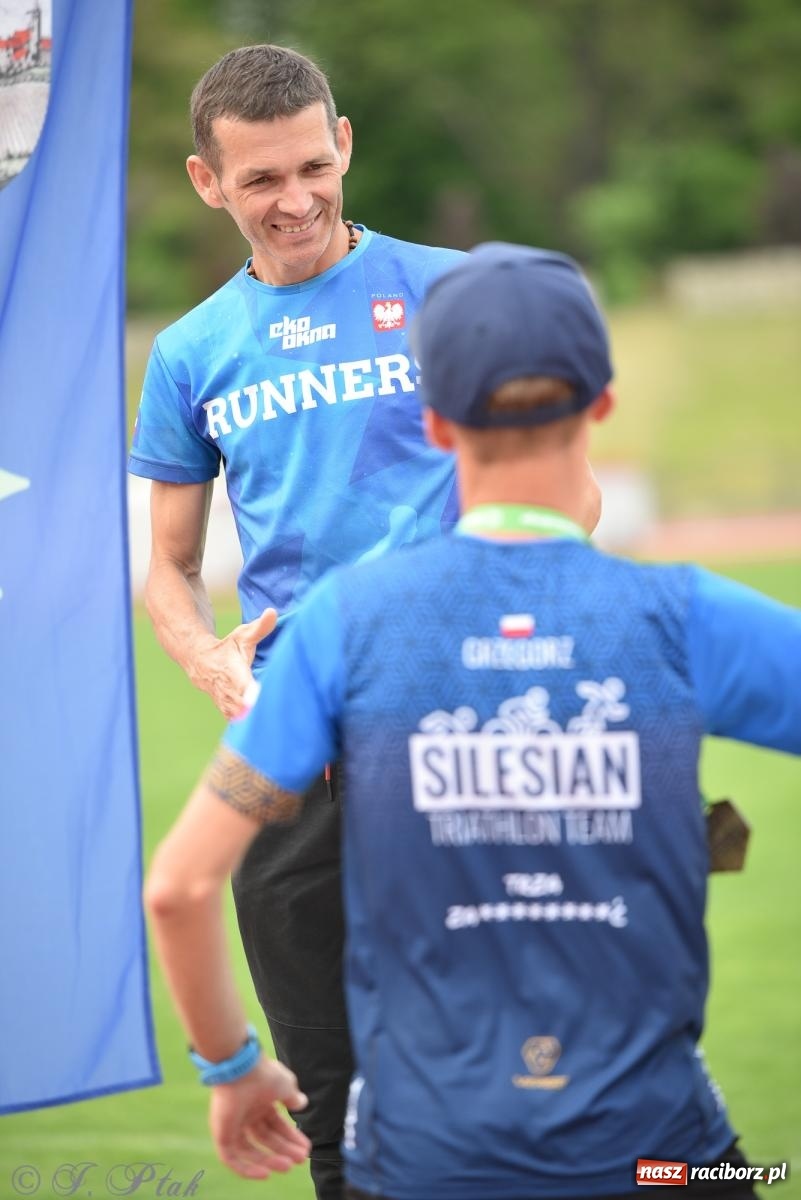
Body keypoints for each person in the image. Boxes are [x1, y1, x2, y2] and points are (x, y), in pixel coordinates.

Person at [145, 242, 801, 1199]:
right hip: (659, 1162)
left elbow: (179, 888)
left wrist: (232, 1069)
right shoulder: (681, 617)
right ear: (601, 405)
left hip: (421, 1166)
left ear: (437, 424)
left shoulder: (340, 632)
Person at [128, 43, 463, 1199]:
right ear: (206, 181)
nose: (297, 199)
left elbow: (560, 491)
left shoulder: (456, 294)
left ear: (345, 144)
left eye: (314, 166)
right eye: (261, 179)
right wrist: (210, 661)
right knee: (335, 1111)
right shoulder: (191, 353)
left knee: (526, 1081)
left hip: (460, 738)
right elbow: (170, 569)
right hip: (291, 754)